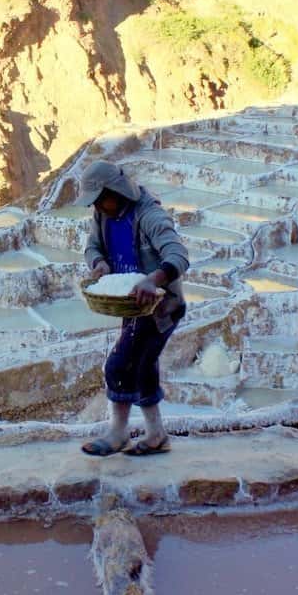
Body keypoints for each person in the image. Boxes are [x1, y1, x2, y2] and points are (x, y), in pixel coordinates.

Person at [75, 160, 189, 456]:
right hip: (132, 308)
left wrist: (154, 279)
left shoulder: (148, 214)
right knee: (143, 367)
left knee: (119, 364)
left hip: (160, 308)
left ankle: (118, 434)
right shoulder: (102, 215)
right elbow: (93, 247)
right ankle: (156, 436)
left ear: (116, 190)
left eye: (101, 199)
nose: (98, 206)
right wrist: (98, 263)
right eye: (95, 202)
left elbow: (177, 254)